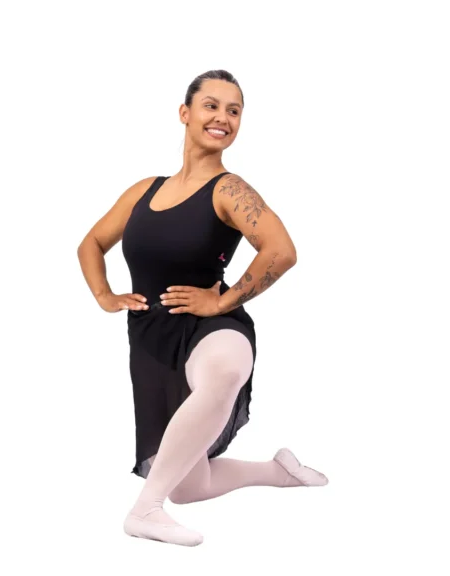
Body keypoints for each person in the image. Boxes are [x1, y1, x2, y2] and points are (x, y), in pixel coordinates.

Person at [76, 70, 328, 547]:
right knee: (190, 486)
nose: (223, 118)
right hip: (151, 339)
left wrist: (222, 301)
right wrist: (105, 296)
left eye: (234, 111)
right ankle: (280, 472)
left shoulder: (230, 190)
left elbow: (281, 251)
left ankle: (144, 511)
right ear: (185, 113)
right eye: (211, 106)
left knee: (226, 369)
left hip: (213, 329)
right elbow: (91, 243)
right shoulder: (144, 190)